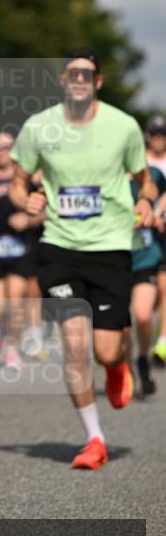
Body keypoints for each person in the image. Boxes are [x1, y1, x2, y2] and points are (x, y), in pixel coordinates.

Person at [10, 48, 157, 470]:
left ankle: (117, 365)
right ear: (62, 80)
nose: (78, 79)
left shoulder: (123, 126)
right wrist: (27, 200)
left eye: (86, 74)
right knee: (75, 344)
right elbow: (18, 182)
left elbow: (145, 181)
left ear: (98, 82)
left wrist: (145, 202)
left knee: (106, 351)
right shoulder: (39, 127)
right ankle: (94, 438)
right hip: (59, 246)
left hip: (111, 246)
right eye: (71, 73)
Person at [0, 132, 45, 369]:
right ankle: (4, 334)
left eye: (6, 147)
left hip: (21, 247)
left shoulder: (26, 181)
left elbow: (46, 212)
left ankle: (12, 349)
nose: (1, 151)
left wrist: (28, 220)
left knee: (15, 301)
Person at [122, 164, 166, 396]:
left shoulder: (152, 174)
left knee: (142, 314)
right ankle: (126, 368)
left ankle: (143, 360)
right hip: (114, 258)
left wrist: (157, 213)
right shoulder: (105, 173)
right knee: (122, 324)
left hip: (145, 256)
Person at [145, 114, 166, 366]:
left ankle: (162, 340)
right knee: (144, 290)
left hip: (163, 230)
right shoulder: (140, 160)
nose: (159, 138)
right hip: (140, 230)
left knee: (164, 285)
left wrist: (159, 212)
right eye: (155, 134)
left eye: (163, 134)